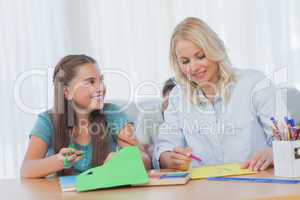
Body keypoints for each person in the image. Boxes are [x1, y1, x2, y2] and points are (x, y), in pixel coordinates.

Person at [153, 17, 286, 171]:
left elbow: (290, 140)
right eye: (185, 61)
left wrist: (274, 153)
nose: (193, 67)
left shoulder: (256, 84)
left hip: (256, 185)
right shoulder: (177, 96)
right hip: (203, 190)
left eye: (200, 56)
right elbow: (164, 147)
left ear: (215, 49)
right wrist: (170, 159)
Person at [21, 55, 151, 178]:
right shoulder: (47, 121)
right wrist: (59, 161)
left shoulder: (113, 114)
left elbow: (145, 160)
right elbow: (26, 170)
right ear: (67, 92)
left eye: (101, 80)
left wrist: (126, 159)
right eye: (91, 82)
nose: (101, 87)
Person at [136, 78, 176, 155]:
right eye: (169, 100)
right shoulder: (147, 113)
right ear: (163, 96)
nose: (172, 105)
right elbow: (143, 146)